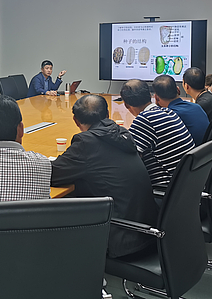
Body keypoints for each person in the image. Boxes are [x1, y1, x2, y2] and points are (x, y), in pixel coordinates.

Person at [51, 95, 158, 258]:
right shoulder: (123, 133)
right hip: (148, 231)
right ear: (107, 115)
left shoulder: (86, 142)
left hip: (122, 241)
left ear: (75, 120)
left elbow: (53, 175)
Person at [120, 79, 195, 187]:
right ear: (151, 96)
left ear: (126, 105)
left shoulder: (145, 119)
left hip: (166, 189)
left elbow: (125, 157)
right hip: (186, 185)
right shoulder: (168, 112)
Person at [153, 75, 209, 146]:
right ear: (178, 90)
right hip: (206, 150)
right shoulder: (197, 106)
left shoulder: (170, 116)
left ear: (156, 98)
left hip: (191, 151)